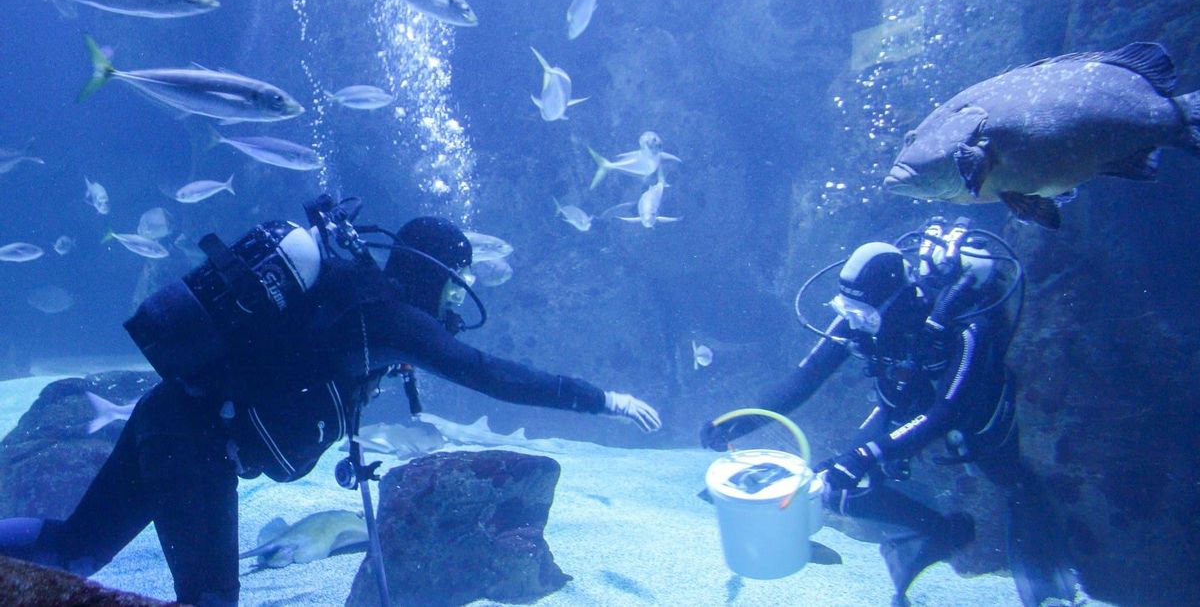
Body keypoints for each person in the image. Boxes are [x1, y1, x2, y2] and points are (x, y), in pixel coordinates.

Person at [0, 201, 662, 606]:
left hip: (169, 412)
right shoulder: (390, 316)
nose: (453, 309)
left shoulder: (352, 290)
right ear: (434, 275)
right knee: (210, 600)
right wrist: (602, 398)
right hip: (197, 444)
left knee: (74, 549)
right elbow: (491, 374)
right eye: (454, 292)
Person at [700, 220, 1079, 607]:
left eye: (864, 314)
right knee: (840, 489)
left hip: (973, 412)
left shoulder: (966, 327)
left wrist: (868, 454)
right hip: (905, 407)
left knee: (1008, 476)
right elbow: (804, 379)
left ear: (895, 300)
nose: (854, 322)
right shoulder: (857, 317)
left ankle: (1049, 572)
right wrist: (739, 422)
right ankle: (943, 533)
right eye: (847, 310)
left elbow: (945, 412)